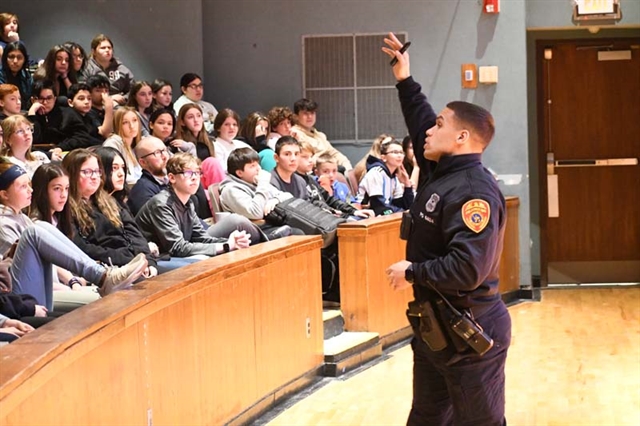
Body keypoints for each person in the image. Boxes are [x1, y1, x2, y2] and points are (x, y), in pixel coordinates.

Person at [382, 32, 511, 425]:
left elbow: (467, 269)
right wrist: (405, 79)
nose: (427, 131)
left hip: (470, 332)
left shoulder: (475, 193)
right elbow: (420, 118)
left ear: (460, 138)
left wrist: (413, 272)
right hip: (434, 326)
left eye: (440, 124)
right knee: (428, 416)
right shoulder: (443, 168)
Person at [0, 159, 148, 308]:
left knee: (128, 292)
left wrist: (73, 281)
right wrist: (72, 286)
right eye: (23, 187)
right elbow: (21, 270)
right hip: (23, 299)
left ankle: (104, 275)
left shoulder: (23, 218)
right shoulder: (3, 223)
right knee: (110, 301)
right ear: (4, 194)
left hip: (51, 286)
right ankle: (102, 276)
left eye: (30, 185)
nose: (30, 190)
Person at [135, 153, 251, 258]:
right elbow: (177, 248)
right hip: (153, 259)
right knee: (205, 260)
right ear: (171, 178)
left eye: (197, 172)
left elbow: (201, 238)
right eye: (188, 173)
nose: (195, 177)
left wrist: (231, 242)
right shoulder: (161, 204)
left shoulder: (188, 202)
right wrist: (226, 246)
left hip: (171, 254)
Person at [219, 147, 303, 240]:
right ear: (239, 173)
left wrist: (275, 200)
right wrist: (263, 184)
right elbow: (256, 213)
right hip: (252, 233)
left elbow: (288, 196)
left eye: (258, 164)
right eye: (252, 166)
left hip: (270, 225)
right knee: (298, 234)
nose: (258, 169)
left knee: (303, 228)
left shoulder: (254, 182)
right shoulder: (230, 190)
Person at [291, 98, 352, 171]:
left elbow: (334, 153)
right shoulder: (294, 134)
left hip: (329, 169)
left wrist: (347, 165)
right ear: (296, 116)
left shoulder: (320, 135)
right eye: (305, 113)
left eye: (312, 113)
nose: (310, 117)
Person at [358, 138, 414, 216]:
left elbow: (403, 205)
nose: (399, 155)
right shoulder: (376, 173)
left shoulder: (393, 177)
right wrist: (401, 212)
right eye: (395, 152)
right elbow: (379, 206)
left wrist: (408, 186)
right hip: (362, 215)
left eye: (401, 152)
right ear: (383, 158)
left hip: (379, 216)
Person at [82, 34, 134, 106]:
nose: (107, 50)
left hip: (119, 105)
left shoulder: (122, 69)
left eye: (109, 48)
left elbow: (133, 90)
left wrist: (124, 98)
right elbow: (82, 91)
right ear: (93, 51)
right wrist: (110, 98)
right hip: (94, 106)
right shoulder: (86, 68)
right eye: (103, 48)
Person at [103, 106, 142, 184]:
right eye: (125, 122)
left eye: (134, 120)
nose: (132, 126)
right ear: (118, 125)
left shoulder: (132, 146)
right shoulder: (112, 144)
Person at [0, 41, 33, 109]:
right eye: (11, 57)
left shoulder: (27, 77)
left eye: (19, 57)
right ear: (5, 59)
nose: (15, 61)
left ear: (24, 60)